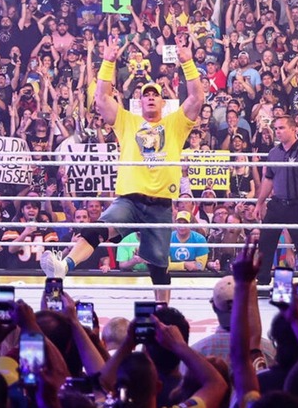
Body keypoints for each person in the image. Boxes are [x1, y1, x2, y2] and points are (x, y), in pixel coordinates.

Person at [40, 34, 204, 302]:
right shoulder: (128, 121)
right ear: (139, 102)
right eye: (145, 95)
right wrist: (107, 62)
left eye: (155, 95)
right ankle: (64, 266)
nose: (150, 98)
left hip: (161, 205)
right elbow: (102, 99)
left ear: (163, 102)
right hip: (129, 200)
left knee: (159, 267)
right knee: (98, 229)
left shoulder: (175, 124)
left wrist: (187, 63)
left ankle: (162, 313)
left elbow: (197, 97)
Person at [254, 115, 298, 288]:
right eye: (276, 128)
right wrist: (260, 203)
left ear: (293, 129)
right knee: (265, 242)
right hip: (277, 203)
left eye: (282, 128)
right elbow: (268, 179)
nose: (278, 132)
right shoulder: (274, 153)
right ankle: (262, 282)